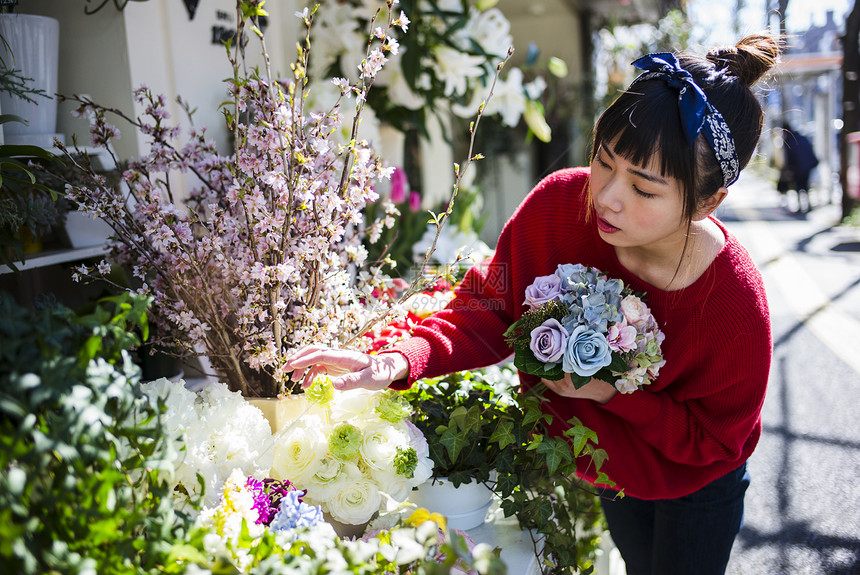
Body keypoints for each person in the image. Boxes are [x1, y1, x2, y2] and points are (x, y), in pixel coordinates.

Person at [285, 34, 779, 575]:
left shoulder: (734, 305)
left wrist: (613, 395)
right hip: (612, 468)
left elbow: (713, 441)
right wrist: (397, 359)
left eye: (643, 189)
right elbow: (488, 305)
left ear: (707, 201)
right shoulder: (558, 206)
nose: (608, 196)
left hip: (698, 483)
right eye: (603, 160)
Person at [781, 122, 819, 213]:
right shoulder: (800, 136)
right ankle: (808, 205)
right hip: (808, 164)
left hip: (799, 166)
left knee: (798, 186)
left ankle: (801, 206)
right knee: (805, 186)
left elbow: (790, 157)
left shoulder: (789, 140)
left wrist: (789, 169)